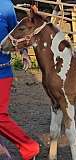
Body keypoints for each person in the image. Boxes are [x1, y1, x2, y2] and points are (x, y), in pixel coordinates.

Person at [0, 0, 40, 159]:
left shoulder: (5, 5)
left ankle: (29, 147)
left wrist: (24, 53)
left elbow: (15, 31)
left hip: (2, 71)